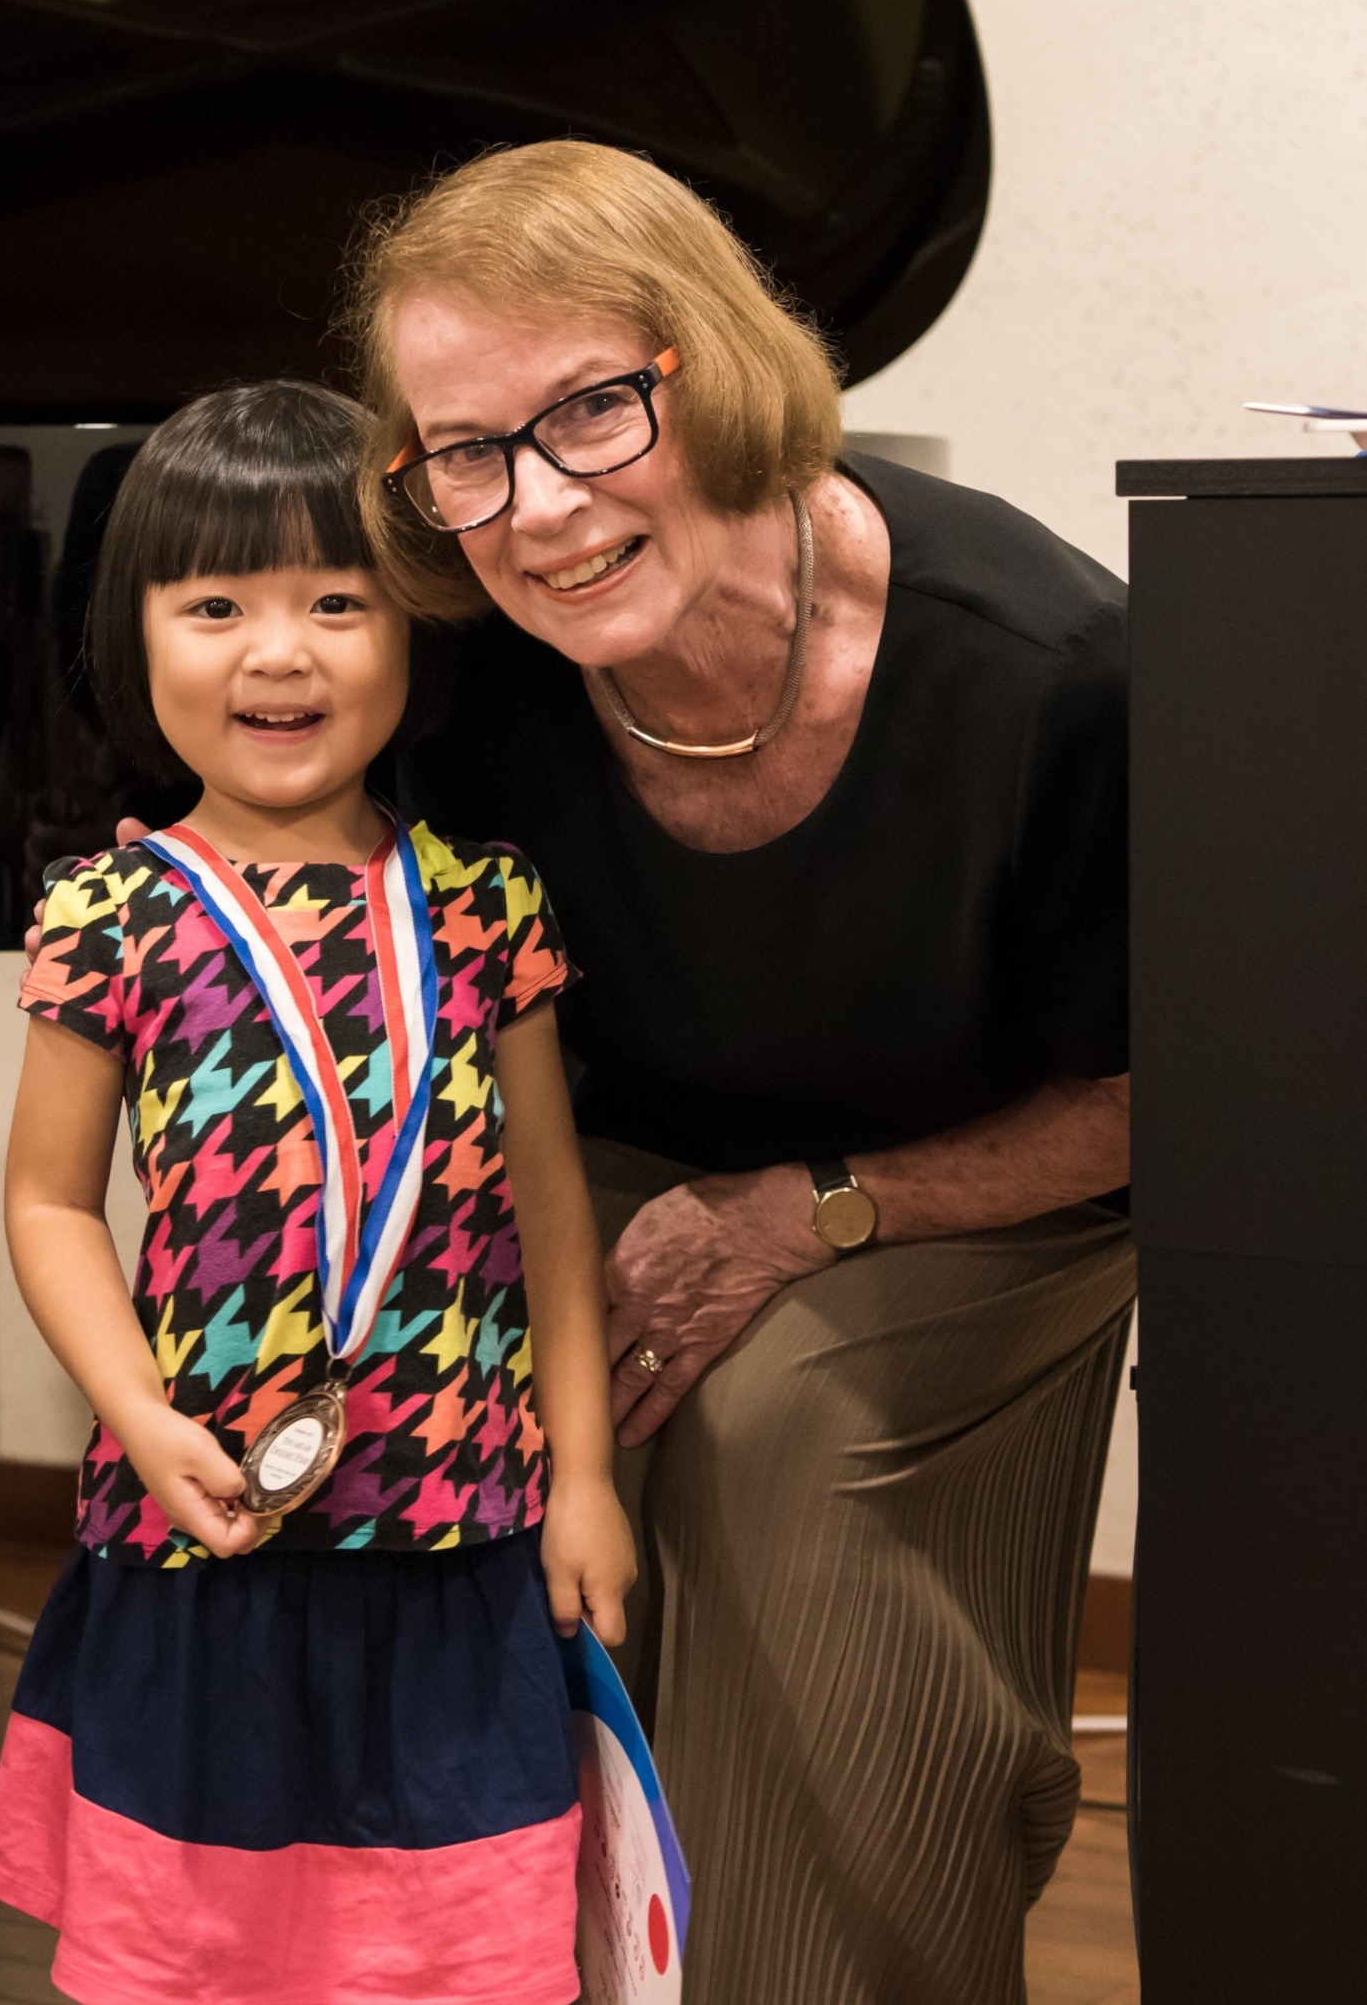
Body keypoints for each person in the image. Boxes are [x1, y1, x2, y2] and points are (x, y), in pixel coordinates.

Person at [342, 140, 1137, 2005]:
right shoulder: (474, 673)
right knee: (415, 1413)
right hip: (608, 1155)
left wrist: (807, 1214)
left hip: (970, 1195)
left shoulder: (1047, 673)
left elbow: (1165, 1090)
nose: (536, 510)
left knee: (780, 1434)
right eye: (466, 451)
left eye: (592, 413)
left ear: (716, 366)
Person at [0, 380, 634, 2005]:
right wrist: (136, 1412)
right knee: (189, 1960)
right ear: (135, 636)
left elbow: (552, 1213)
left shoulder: (485, 907)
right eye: (215, 605)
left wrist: (584, 1481)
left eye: (336, 602)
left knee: (460, 1959)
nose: (278, 652)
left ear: (414, 626)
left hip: (459, 1544)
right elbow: (52, 1205)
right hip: (206, 1540)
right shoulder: (108, 910)